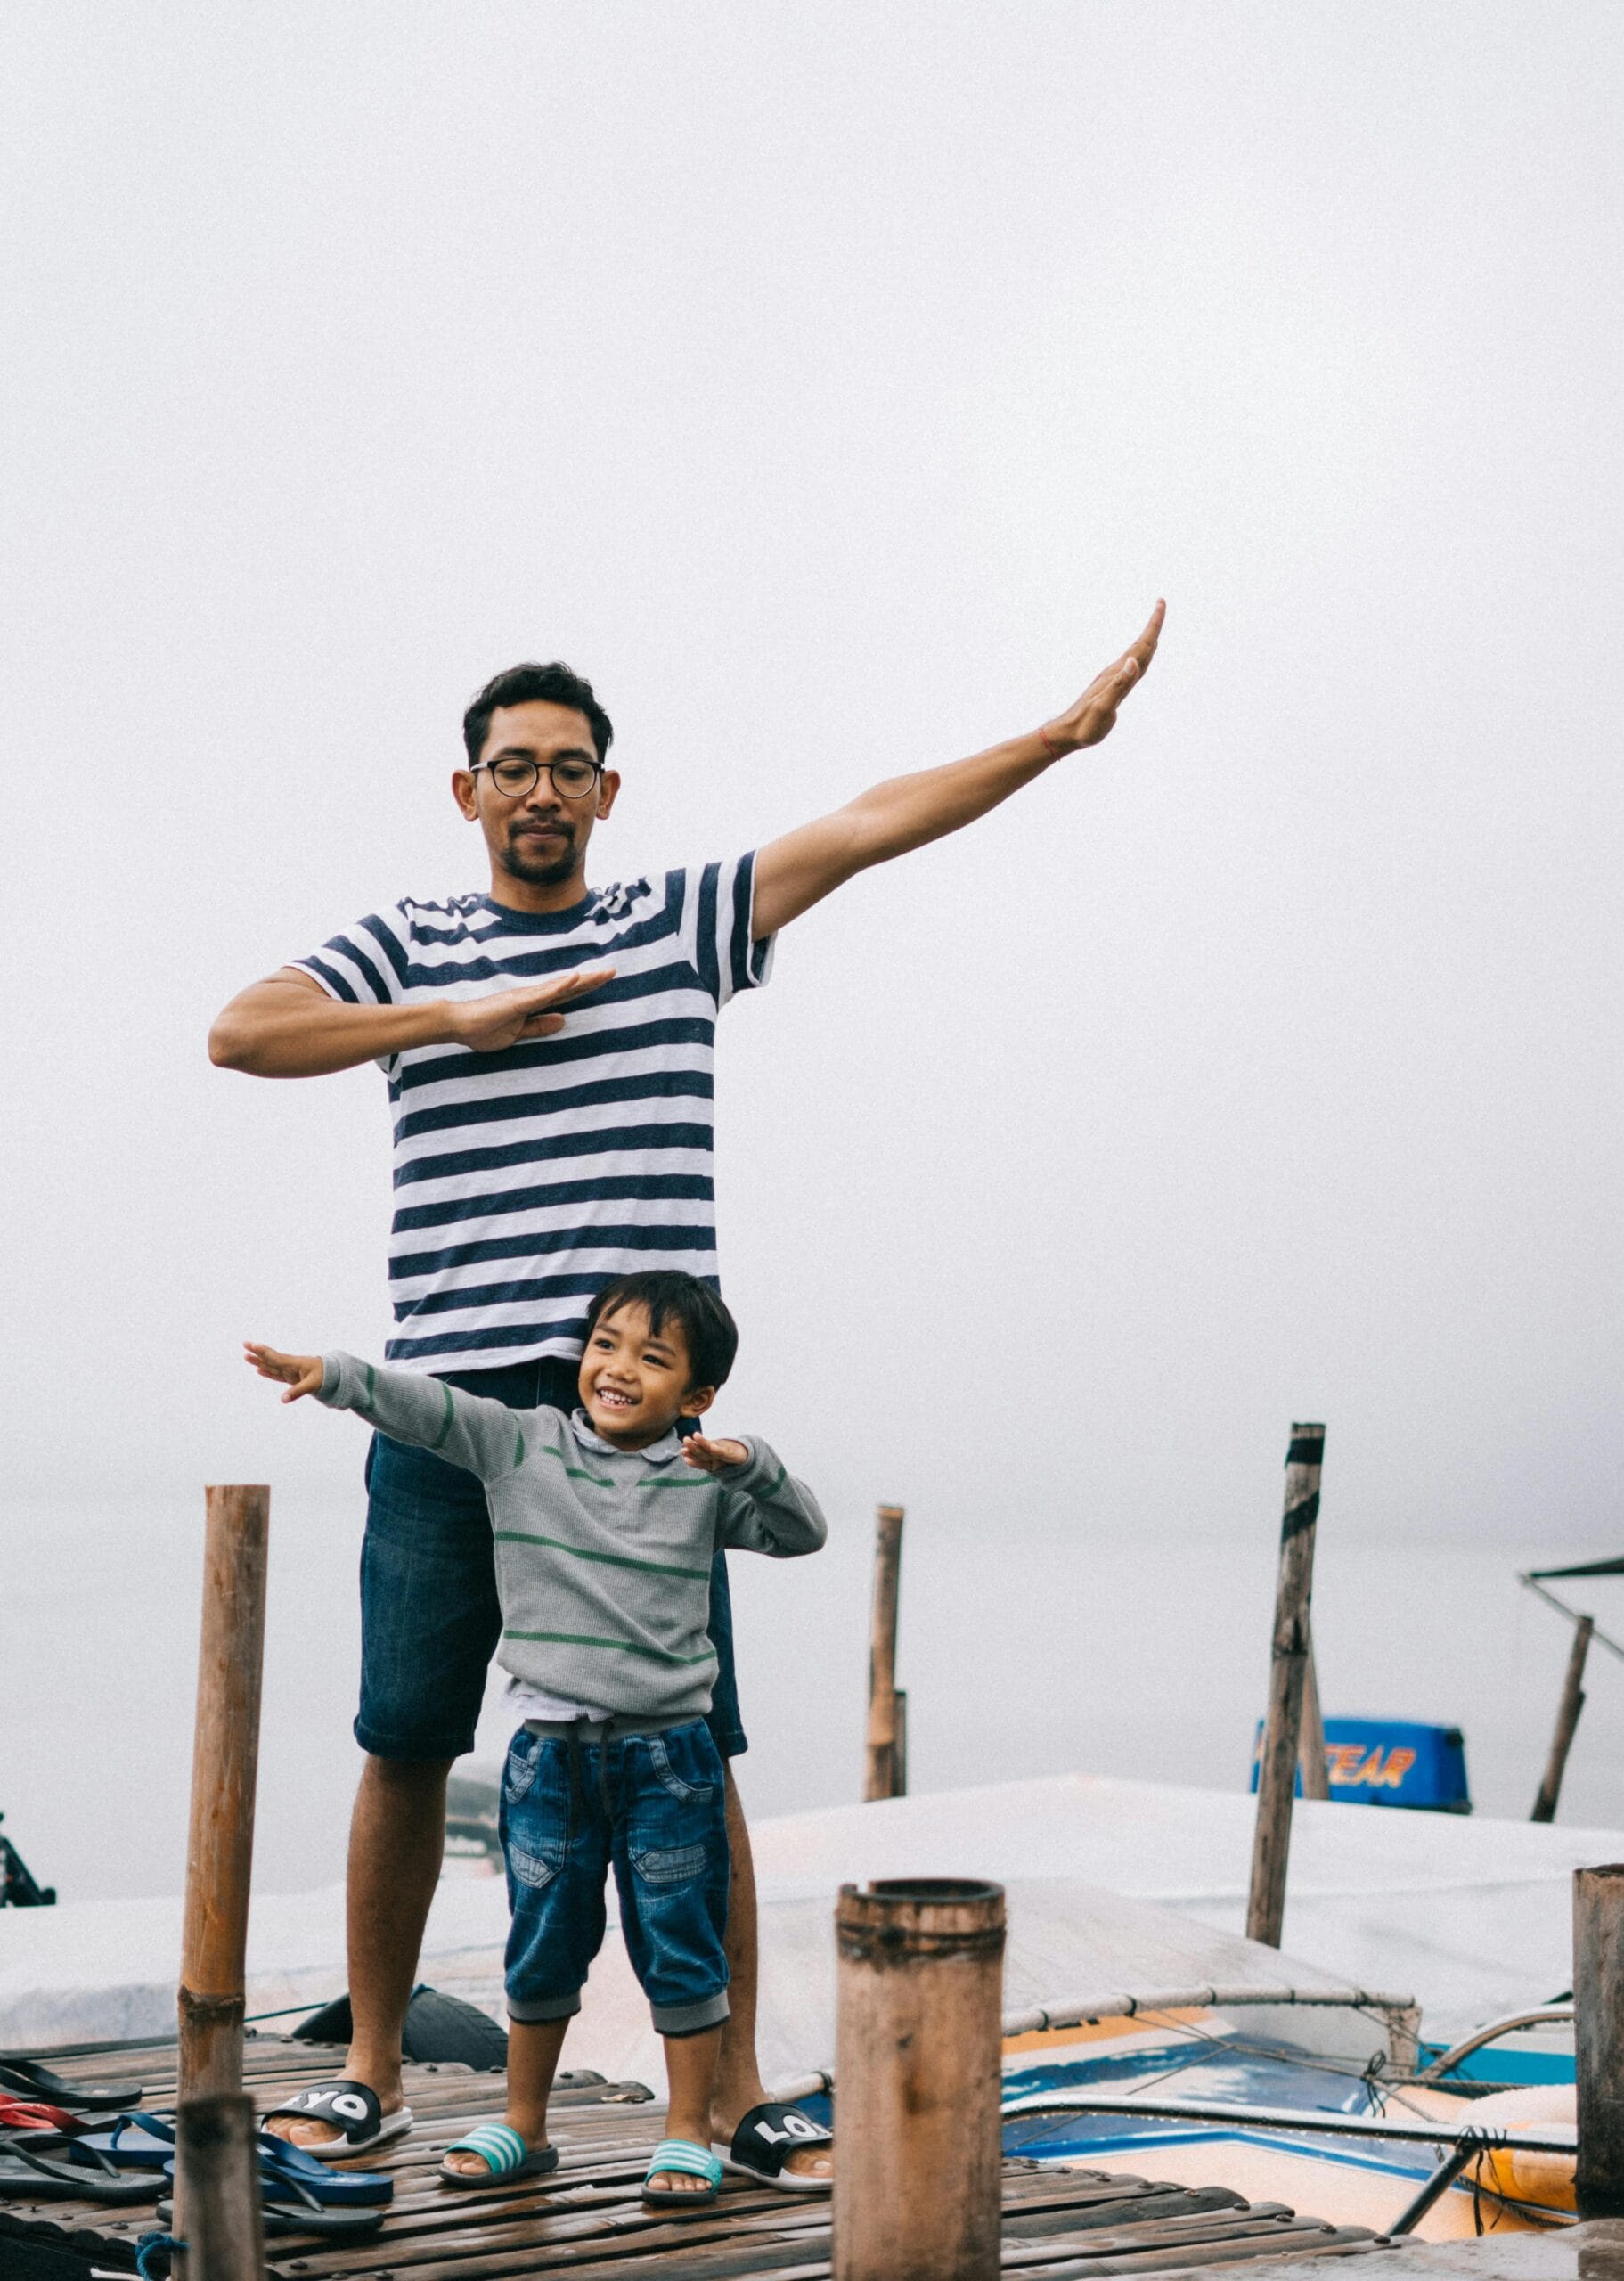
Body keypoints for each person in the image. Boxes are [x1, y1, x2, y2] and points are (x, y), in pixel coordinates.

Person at [208, 599, 1163, 2180]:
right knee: (405, 1733)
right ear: (467, 793)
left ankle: (718, 2096)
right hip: (454, 1404)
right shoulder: (410, 947)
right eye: (508, 767)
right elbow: (244, 1032)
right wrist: (452, 1018)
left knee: (689, 1740)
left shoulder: (677, 922)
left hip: (635, 1418)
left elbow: (863, 826)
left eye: (566, 768)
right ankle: (370, 2067)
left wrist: (1053, 742)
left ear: (606, 793)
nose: (537, 792)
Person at [245, 1271, 827, 2203]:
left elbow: (802, 1532)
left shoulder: (695, 1478)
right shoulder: (522, 1444)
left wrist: (748, 1461)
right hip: (547, 1754)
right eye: (605, 1344)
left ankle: (690, 2127)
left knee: (679, 1945)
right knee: (542, 1940)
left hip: (668, 1758)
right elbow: (428, 1406)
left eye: (651, 1356)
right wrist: (337, 1374)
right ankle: (524, 2120)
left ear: (697, 1394)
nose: (618, 1367)